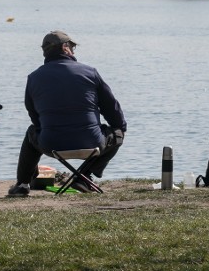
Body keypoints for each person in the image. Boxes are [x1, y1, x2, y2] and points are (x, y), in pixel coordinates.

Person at [7, 30, 126, 197]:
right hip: (92, 143)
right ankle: (84, 178)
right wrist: (119, 127)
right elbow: (111, 108)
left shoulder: (34, 77)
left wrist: (45, 128)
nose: (73, 50)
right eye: (72, 47)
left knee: (31, 132)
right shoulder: (90, 72)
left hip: (51, 145)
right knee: (119, 132)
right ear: (65, 48)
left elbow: (34, 115)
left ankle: (22, 185)